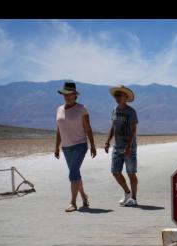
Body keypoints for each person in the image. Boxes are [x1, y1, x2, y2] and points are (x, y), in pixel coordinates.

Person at [54, 81, 97, 212]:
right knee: (75, 173)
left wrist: (93, 145)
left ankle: (73, 202)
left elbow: (88, 128)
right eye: (64, 94)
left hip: (80, 145)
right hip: (66, 147)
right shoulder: (59, 109)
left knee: (73, 173)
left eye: (69, 94)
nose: (67, 96)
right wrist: (56, 146)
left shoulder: (81, 109)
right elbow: (59, 129)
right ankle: (84, 196)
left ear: (75, 95)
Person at [104, 85, 138, 207]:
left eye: (120, 95)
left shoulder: (131, 112)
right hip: (117, 147)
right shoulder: (114, 110)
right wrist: (107, 141)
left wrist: (128, 146)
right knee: (115, 172)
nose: (117, 97)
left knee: (131, 173)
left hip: (129, 147)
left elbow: (134, 130)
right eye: (116, 95)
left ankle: (134, 198)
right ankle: (127, 192)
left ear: (126, 97)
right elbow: (113, 127)